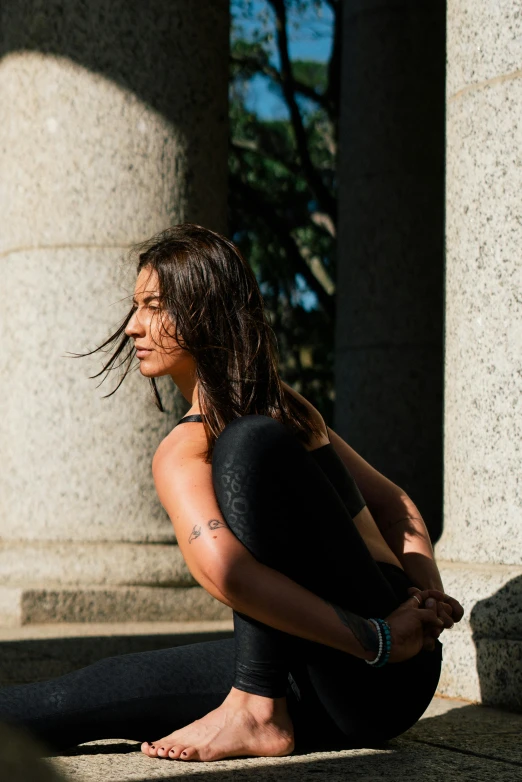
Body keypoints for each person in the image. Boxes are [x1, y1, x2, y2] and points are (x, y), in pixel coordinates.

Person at [0, 223, 463, 763]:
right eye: (134, 307)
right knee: (88, 694)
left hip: (378, 665)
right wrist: (397, 621)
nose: (132, 327)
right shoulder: (277, 411)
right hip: (351, 672)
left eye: (153, 306)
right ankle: (256, 696)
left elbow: (230, 572)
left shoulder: (234, 432)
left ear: (204, 311)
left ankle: (259, 709)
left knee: (246, 439)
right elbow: (395, 506)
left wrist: (410, 613)